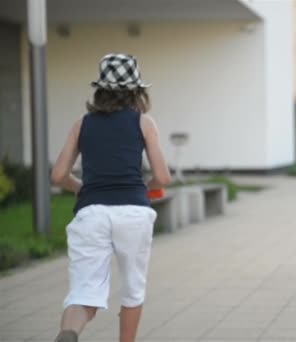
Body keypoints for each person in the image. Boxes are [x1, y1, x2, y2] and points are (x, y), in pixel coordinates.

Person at [50, 53, 171, 342]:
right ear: (136, 90)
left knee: (83, 292)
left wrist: (81, 187)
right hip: (133, 213)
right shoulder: (144, 123)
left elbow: (58, 176)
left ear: (100, 89)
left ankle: (68, 334)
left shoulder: (83, 124)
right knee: (132, 288)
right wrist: (144, 187)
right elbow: (163, 177)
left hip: (91, 213)